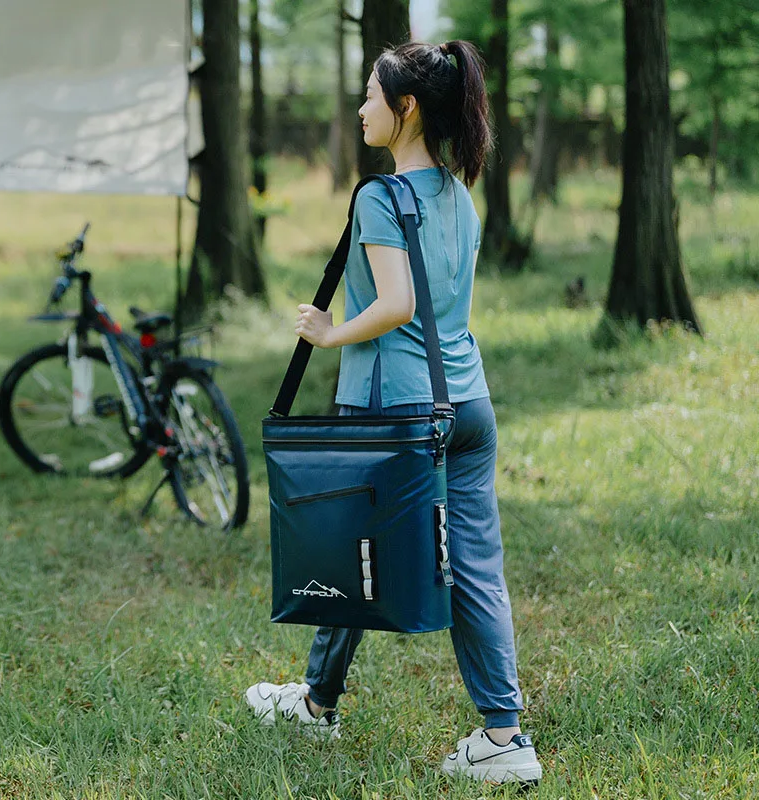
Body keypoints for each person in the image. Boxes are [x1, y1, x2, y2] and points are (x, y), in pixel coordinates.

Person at [246, 40, 542, 786]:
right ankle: (503, 735)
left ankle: (316, 705)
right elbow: (444, 304)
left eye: (372, 97)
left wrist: (329, 333)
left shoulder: (380, 197)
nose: (361, 109)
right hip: (466, 404)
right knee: (474, 568)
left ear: (406, 108)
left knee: (347, 551)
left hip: (395, 413)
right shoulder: (460, 194)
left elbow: (398, 303)